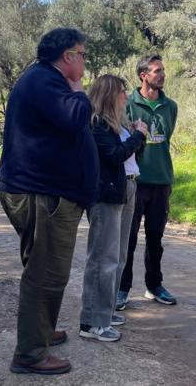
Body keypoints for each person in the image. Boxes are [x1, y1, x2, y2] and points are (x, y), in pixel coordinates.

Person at [0, 28, 98, 376]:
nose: (85, 62)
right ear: (68, 56)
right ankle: (29, 353)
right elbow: (74, 117)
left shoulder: (42, 80)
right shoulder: (46, 81)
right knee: (47, 273)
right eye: (83, 55)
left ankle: (40, 331)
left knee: (42, 267)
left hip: (42, 193)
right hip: (44, 195)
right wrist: (81, 93)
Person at [79, 75, 147, 342]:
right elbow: (114, 155)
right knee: (102, 259)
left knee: (118, 257)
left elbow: (129, 156)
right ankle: (91, 322)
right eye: (122, 92)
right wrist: (138, 136)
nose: (126, 97)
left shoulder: (118, 124)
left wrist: (135, 135)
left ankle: (104, 312)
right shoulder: (96, 124)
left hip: (126, 188)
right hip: (106, 195)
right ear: (109, 94)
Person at [117, 54, 179, 308]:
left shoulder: (170, 106)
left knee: (155, 237)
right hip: (135, 180)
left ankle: (154, 286)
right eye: (156, 71)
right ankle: (122, 288)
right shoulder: (128, 104)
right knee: (129, 237)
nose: (162, 75)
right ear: (143, 75)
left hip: (161, 180)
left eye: (163, 70)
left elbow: (165, 137)